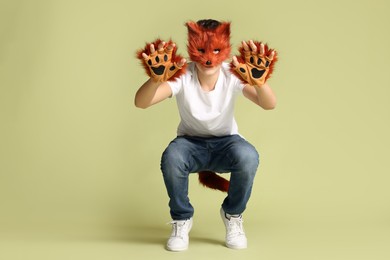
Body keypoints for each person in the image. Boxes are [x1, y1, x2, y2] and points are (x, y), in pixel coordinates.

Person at [134, 19, 277, 251]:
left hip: (227, 143)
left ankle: (233, 214)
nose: (209, 58)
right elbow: (141, 103)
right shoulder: (182, 74)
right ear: (191, 45)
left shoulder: (233, 72)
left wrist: (261, 83)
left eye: (217, 50)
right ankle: (181, 219)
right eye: (201, 50)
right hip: (189, 144)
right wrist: (155, 78)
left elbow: (269, 104)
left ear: (226, 47)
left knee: (248, 156)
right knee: (172, 157)